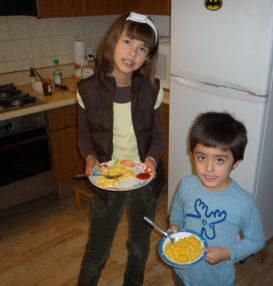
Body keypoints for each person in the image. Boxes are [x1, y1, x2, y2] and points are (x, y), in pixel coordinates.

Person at [76, 12, 166, 286]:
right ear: (113, 41)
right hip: (108, 181)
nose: (132, 53)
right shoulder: (87, 90)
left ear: (147, 58)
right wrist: (90, 157)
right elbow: (83, 136)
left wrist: (151, 158)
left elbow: (158, 136)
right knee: (97, 250)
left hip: (143, 182)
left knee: (139, 246)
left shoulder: (152, 89)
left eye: (142, 49)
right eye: (127, 41)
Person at [168, 112, 265, 286]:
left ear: (236, 162)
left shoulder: (244, 203)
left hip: (216, 280)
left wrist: (228, 253)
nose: (208, 168)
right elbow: (177, 212)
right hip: (182, 273)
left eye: (219, 160)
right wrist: (175, 226)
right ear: (192, 154)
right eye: (202, 157)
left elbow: (256, 241)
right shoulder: (186, 185)